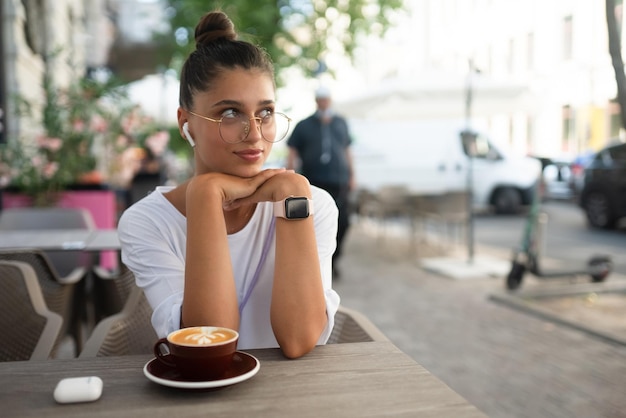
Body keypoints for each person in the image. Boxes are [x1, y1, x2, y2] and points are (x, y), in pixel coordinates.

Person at [118, 10, 340, 359]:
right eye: (230, 113)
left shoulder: (315, 204)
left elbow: (298, 341)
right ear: (185, 121)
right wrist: (205, 195)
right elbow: (210, 346)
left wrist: (294, 192)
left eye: (265, 112)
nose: (254, 133)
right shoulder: (147, 223)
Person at [286, 87, 354, 278]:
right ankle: (315, 263)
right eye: (320, 99)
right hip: (313, 181)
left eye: (326, 99)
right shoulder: (304, 125)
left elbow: (348, 150)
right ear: (316, 101)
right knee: (312, 224)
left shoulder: (340, 123)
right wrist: (289, 175)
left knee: (343, 221)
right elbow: (292, 151)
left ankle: (334, 259)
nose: (323, 102)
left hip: (338, 181)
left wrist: (352, 175)